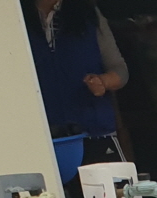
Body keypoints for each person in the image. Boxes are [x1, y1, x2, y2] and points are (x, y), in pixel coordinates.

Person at [20, 0, 127, 173]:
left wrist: (103, 82)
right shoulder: (15, 14)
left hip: (93, 133)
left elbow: (120, 70)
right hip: (42, 139)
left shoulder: (87, 13)